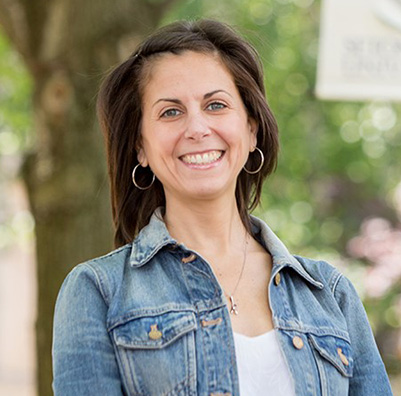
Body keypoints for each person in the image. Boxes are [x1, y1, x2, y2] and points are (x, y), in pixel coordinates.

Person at [52, 19, 393, 396]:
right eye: (170, 112)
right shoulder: (98, 292)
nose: (197, 128)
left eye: (216, 105)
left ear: (251, 130)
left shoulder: (331, 295)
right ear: (140, 148)